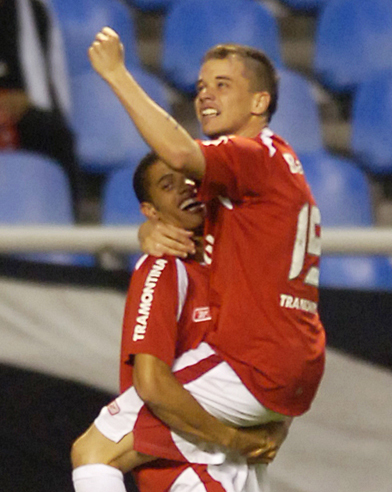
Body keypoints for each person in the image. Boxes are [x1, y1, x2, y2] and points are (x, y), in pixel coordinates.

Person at [72, 26, 326, 490]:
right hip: (293, 364)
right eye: (201, 86)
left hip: (250, 360)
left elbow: (176, 152)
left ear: (260, 102)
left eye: (222, 85)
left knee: (93, 452)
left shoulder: (252, 157)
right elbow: (186, 215)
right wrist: (148, 229)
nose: (205, 95)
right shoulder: (274, 172)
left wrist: (116, 73)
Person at [72, 151, 289, 492]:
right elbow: (151, 383)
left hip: (235, 467)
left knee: (92, 453)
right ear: (151, 211)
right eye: (167, 185)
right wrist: (233, 439)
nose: (185, 188)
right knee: (92, 453)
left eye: (190, 179)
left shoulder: (242, 263)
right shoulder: (165, 268)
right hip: (186, 468)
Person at [0, 0, 83, 219]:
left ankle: (70, 223)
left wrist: (27, 102)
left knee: (55, 134)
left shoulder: (35, 9)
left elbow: (51, 79)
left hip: (22, 112)